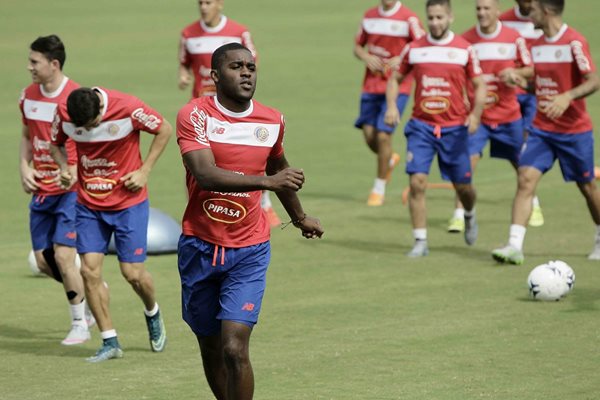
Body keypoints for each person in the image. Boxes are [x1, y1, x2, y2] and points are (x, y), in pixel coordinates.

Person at [176, 43, 324, 400]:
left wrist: (300, 217)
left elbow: (278, 169)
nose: (246, 73)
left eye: (250, 67)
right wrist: (267, 183)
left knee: (234, 347)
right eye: (236, 67)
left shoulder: (272, 120)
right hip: (199, 245)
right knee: (210, 346)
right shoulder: (195, 115)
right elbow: (205, 174)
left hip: (249, 250)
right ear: (214, 76)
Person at [50, 86, 172, 362]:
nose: (89, 131)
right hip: (88, 205)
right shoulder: (64, 114)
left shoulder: (127, 106)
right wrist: (65, 168)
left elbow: (164, 128)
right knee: (90, 273)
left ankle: (152, 312)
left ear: (101, 110)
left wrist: (144, 170)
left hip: (129, 204)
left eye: (93, 125)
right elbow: (54, 143)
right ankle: (110, 341)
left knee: (132, 274)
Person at [492, 0, 600, 264]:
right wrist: (522, 82)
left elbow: (594, 80)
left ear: (548, 11)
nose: (529, 13)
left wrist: (567, 97)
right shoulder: (537, 46)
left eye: (534, 9)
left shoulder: (574, 42)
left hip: (574, 131)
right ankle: (514, 245)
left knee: (587, 187)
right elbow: (540, 88)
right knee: (525, 178)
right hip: (542, 128)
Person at [384, 0, 486, 257]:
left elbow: (480, 85)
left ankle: (470, 213)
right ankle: (420, 241)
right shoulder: (414, 49)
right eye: (431, 17)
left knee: (463, 187)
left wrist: (475, 115)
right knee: (417, 182)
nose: (435, 22)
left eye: (440, 17)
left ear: (450, 17)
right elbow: (395, 79)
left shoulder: (464, 49)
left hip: (454, 129)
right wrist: (392, 106)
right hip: (421, 128)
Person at [178, 0, 280, 227]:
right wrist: (183, 75)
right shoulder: (188, 33)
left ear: (220, 4)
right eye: (201, 3)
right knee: (198, 166)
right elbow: (184, 62)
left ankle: (264, 203)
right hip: (202, 111)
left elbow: (252, 62)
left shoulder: (239, 32)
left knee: (248, 158)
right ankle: (201, 216)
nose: (204, 7)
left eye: (209, 2)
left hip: (233, 108)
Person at [19, 34, 93, 345]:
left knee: (63, 256)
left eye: (34, 62)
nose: (29, 67)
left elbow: (89, 144)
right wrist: (24, 167)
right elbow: (27, 135)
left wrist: (72, 173)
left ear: (54, 64)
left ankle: (81, 324)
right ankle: (87, 295)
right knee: (43, 260)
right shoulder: (28, 96)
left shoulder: (75, 99)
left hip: (70, 189)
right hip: (41, 190)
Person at [446, 0, 534, 234]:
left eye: (487, 9)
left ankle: (533, 203)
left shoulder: (513, 38)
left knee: (523, 165)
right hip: (479, 116)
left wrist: (514, 72)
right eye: (478, 9)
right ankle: (458, 214)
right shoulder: (466, 41)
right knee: (466, 164)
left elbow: (530, 68)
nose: (482, 13)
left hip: (508, 114)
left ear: (497, 11)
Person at [354, 0, 424, 206]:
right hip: (371, 85)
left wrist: (402, 58)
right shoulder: (370, 16)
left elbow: (422, 44)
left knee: (384, 135)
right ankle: (390, 160)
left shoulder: (409, 18)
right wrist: (366, 56)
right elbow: (357, 46)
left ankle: (378, 188)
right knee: (369, 134)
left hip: (398, 85)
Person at [499, 0, 545, 227]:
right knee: (515, 147)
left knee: (527, 142)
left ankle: (531, 198)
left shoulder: (544, 17)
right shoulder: (504, 19)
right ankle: (531, 195)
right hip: (512, 92)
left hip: (538, 89)